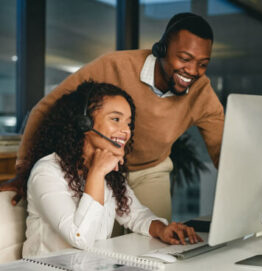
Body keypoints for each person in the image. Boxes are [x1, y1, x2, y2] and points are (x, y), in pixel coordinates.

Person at [2, 12, 224, 222]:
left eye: (203, 64)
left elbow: (222, 148)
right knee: (103, 244)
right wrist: (23, 171)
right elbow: (46, 108)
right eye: (185, 58)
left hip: (151, 170)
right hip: (103, 167)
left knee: (156, 239)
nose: (193, 71)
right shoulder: (114, 65)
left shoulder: (201, 91)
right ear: (162, 48)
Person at [20, 81, 202, 257]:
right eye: (116, 119)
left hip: (89, 269)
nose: (126, 131)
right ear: (84, 123)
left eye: (128, 123)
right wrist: (97, 174)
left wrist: (162, 229)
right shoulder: (47, 172)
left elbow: (136, 215)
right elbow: (80, 238)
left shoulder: (109, 173)